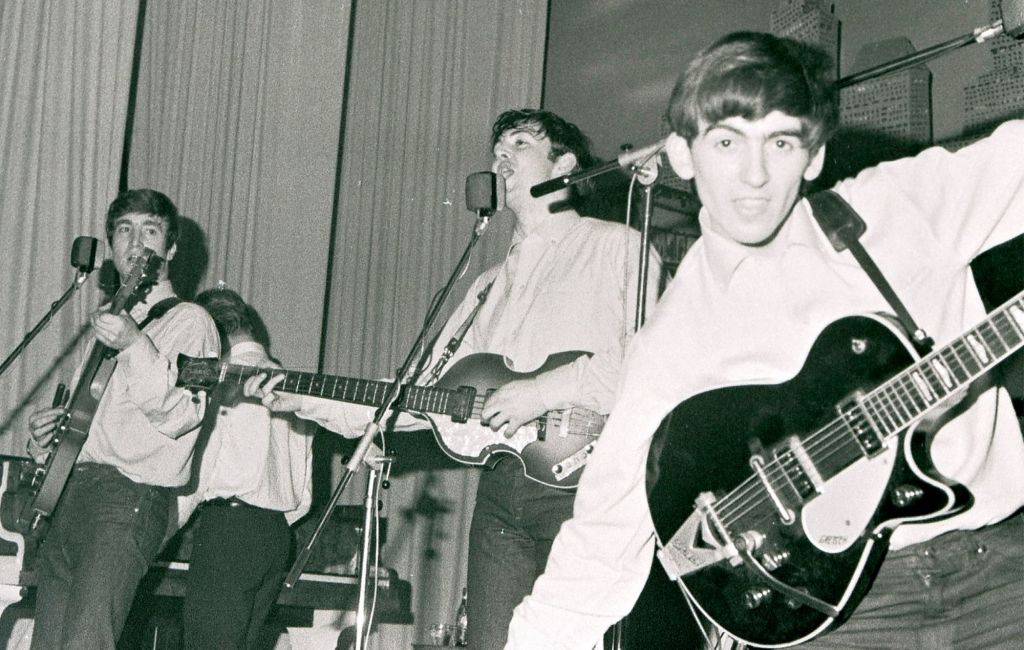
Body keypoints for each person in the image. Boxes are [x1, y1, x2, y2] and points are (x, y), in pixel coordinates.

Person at [505, 32, 1024, 650]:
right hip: (847, 615)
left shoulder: (893, 211)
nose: (754, 176)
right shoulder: (675, 336)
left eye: (780, 142)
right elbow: (602, 536)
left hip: (1001, 571)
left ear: (812, 157)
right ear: (683, 153)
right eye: (727, 141)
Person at [245, 108, 662, 649]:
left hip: (591, 486)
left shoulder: (618, 248)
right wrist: (297, 396)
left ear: (565, 163)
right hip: (500, 497)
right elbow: (415, 400)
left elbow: (647, 363)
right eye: (496, 150)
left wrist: (540, 392)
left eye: (520, 143)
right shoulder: (488, 285)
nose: (500, 157)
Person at [26, 189, 221, 648]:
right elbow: (84, 427)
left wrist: (136, 344)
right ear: (111, 246)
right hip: (70, 495)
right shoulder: (111, 323)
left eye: (150, 231)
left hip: (127, 499)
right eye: (124, 230)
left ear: (170, 250)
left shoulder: (195, 324)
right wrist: (44, 440)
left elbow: (182, 416)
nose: (135, 242)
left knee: (86, 643)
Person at [172, 287, 314, 649]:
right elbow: (304, 493)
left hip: (229, 531)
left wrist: (162, 530)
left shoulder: (221, 379)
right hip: (275, 536)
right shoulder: (294, 385)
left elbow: (198, 471)